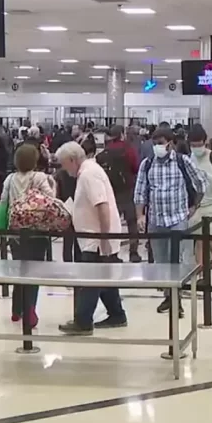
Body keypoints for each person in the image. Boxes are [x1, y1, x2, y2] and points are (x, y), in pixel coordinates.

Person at [57, 141, 128, 335]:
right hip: (95, 238)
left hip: (96, 240)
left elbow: (102, 206)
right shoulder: (88, 172)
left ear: (73, 160)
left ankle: (83, 321)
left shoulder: (89, 174)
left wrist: (104, 238)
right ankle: (117, 314)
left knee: (90, 280)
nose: (63, 169)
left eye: (64, 164)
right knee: (103, 278)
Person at [135, 127, 206, 315]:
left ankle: (178, 300)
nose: (158, 147)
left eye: (161, 143)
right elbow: (140, 191)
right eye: (155, 143)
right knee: (161, 261)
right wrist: (140, 215)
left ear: (171, 143)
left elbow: (200, 183)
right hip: (156, 219)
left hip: (177, 218)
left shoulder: (183, 162)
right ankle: (168, 297)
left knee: (178, 260)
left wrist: (194, 206)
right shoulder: (147, 164)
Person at [0, 143, 56, 328]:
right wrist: (53, 184)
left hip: (15, 231)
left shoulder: (9, 179)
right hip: (37, 230)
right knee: (34, 271)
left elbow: (3, 202)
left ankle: (17, 310)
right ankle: (30, 309)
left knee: (19, 269)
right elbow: (50, 199)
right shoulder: (39, 177)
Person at [187, 124, 212, 287]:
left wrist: (205, 176)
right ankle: (202, 273)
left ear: (205, 142)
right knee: (199, 241)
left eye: (199, 144)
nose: (197, 148)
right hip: (198, 205)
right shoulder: (188, 159)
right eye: (193, 145)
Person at [101, 124, 142, 262]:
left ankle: (112, 253)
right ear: (122, 134)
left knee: (113, 223)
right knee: (132, 223)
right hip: (128, 190)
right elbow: (136, 167)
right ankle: (133, 252)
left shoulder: (105, 152)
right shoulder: (128, 149)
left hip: (111, 191)